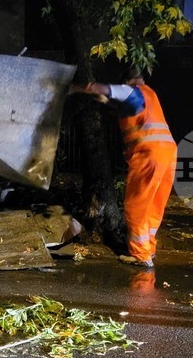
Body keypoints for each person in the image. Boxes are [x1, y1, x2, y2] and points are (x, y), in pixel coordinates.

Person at [70, 69, 177, 268]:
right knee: (154, 205)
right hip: (168, 153)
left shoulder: (132, 90)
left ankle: (140, 255)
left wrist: (77, 88)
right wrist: (106, 102)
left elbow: (103, 89)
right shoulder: (149, 94)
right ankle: (148, 250)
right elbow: (127, 108)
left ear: (127, 79)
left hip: (148, 154)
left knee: (135, 206)